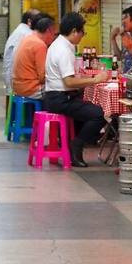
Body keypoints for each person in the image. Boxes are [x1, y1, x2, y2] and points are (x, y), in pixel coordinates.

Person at [43, 12, 108, 167]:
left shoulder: (58, 44)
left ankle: (71, 143)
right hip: (59, 99)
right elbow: (69, 82)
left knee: (85, 108)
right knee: (98, 114)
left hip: (55, 96)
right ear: (73, 31)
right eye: (82, 32)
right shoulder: (64, 50)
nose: (82, 36)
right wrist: (94, 80)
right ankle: (76, 145)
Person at [11, 14, 57, 99]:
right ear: (48, 31)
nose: (54, 38)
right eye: (54, 34)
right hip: (31, 89)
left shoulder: (28, 38)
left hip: (18, 87)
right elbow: (42, 78)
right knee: (58, 93)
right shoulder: (39, 45)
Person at [2, 9, 40, 94]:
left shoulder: (20, 30)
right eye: (39, 19)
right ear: (29, 21)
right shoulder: (27, 34)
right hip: (18, 82)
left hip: (12, 79)